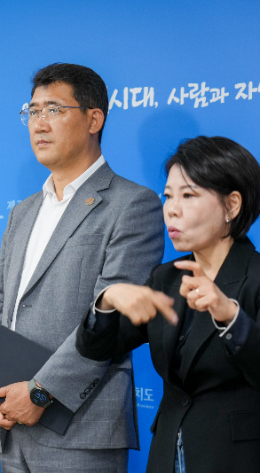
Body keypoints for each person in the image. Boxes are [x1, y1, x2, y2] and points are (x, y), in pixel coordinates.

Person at [0, 63, 166, 473]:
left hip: (80, 429)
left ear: (94, 119)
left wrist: (41, 391)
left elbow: (112, 319)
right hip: (10, 422)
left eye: (54, 110)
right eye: (32, 111)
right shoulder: (23, 212)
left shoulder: (131, 204)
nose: (39, 123)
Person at [76, 136, 260, 473]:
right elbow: (97, 350)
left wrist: (230, 316)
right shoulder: (165, 278)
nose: (172, 209)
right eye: (168, 196)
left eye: (188, 196)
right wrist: (106, 300)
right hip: (166, 455)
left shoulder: (256, 277)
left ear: (232, 206)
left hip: (236, 459)